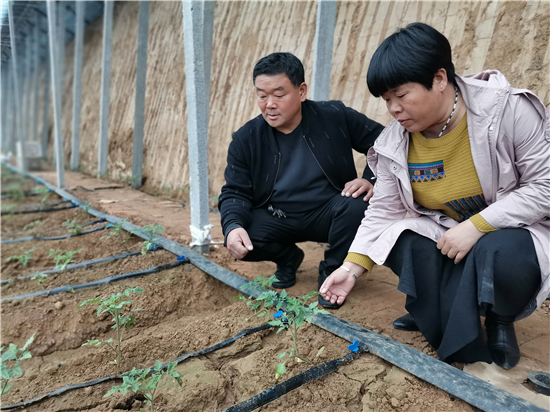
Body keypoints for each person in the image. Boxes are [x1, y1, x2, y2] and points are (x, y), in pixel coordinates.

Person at [320, 22, 549, 368]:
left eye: (401, 95)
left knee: (497, 249)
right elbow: (383, 212)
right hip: (446, 235)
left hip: (510, 232)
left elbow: (543, 187)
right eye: (386, 100)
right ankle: (438, 312)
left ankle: (498, 319)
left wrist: (478, 225)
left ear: (440, 79)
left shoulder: (508, 111)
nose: (394, 109)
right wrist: (351, 268)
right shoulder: (395, 142)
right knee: (401, 237)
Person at [219, 52, 384, 308]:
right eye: (261, 95)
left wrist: (371, 178)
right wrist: (232, 226)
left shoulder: (334, 116)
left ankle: (332, 272)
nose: (269, 104)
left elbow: (383, 142)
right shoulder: (246, 138)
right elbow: (234, 192)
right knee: (242, 233)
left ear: (302, 91)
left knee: (358, 205)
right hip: (278, 217)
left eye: (279, 94)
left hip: (328, 213)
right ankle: (288, 258)